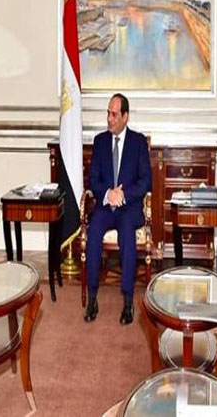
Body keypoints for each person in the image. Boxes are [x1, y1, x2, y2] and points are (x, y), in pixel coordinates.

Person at [84, 93, 152, 325]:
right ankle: (92, 298)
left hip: (128, 207)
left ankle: (128, 301)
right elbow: (93, 179)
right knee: (93, 233)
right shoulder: (100, 141)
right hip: (105, 206)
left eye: (114, 114)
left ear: (125, 116)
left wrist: (123, 194)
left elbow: (145, 181)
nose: (109, 119)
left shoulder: (138, 142)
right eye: (108, 113)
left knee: (127, 236)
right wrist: (108, 194)